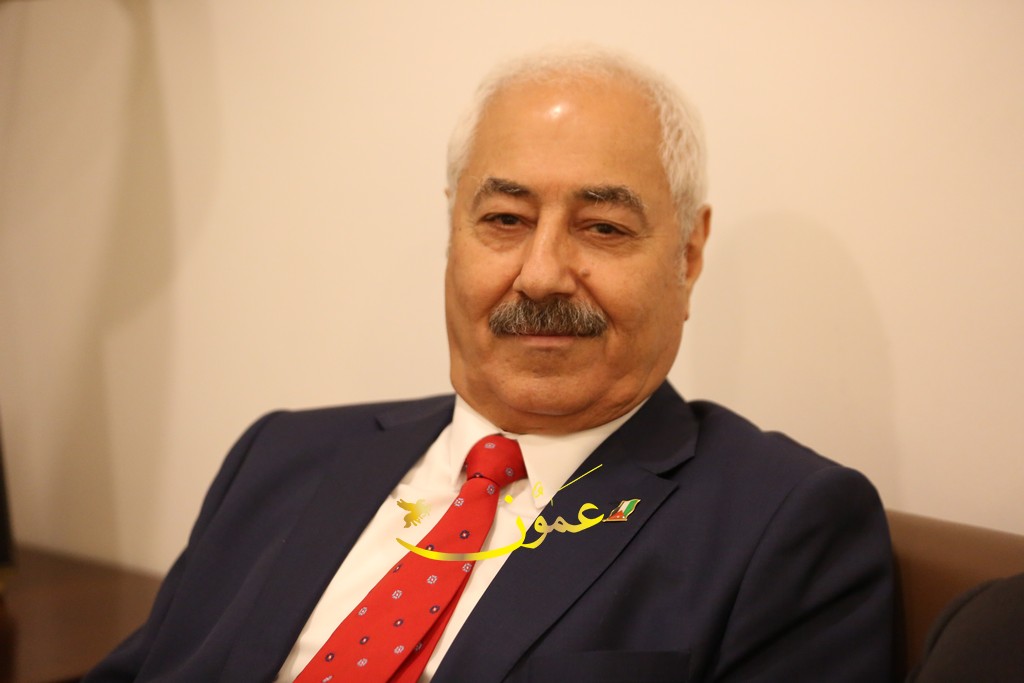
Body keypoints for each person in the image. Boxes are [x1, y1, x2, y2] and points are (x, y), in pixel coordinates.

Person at [86, 46, 895, 682]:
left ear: (688, 253)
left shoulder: (784, 527)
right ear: (454, 230)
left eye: (603, 227)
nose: (541, 275)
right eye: (505, 219)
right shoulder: (279, 457)